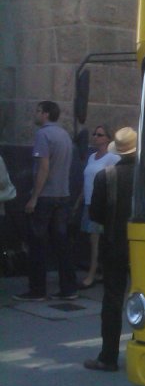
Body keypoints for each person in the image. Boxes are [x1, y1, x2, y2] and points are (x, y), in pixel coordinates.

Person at [83, 127, 137, 372]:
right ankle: (141, 346)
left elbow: (95, 214)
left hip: (114, 244)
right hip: (143, 246)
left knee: (113, 300)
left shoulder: (106, 176)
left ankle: (108, 357)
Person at [15, 101, 76, 302]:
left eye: (38, 111)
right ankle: (68, 288)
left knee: (37, 243)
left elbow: (43, 167)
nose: (36, 114)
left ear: (46, 114)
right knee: (62, 244)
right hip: (63, 195)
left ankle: (37, 290)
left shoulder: (43, 135)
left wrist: (34, 197)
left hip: (45, 196)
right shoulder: (65, 135)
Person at [75, 124, 119, 289]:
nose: (95, 137)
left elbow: (115, 181)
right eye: (94, 134)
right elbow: (87, 181)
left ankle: (92, 275)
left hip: (101, 204)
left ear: (108, 138)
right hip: (88, 202)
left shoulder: (112, 158)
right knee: (93, 239)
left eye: (100, 134)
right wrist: (79, 201)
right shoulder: (92, 156)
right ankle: (101, 271)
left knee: (95, 240)